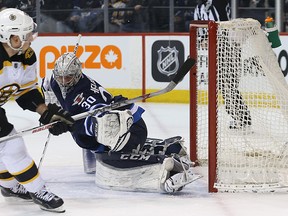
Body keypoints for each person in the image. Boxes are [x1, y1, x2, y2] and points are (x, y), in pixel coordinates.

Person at [42, 52, 201, 193]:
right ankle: (171, 147)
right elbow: (47, 90)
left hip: (130, 129)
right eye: (60, 76)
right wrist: (52, 117)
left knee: (111, 160)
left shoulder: (85, 95)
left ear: (77, 75)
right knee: (91, 142)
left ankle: (171, 168)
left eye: (68, 77)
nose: (63, 81)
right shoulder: (55, 82)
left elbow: (104, 125)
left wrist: (70, 125)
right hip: (124, 130)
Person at [0, 8, 74, 213]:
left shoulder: (26, 56)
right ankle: (38, 190)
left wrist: (46, 112)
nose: (30, 38)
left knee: (2, 147)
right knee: (11, 145)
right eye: (26, 35)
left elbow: (25, 91)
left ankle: (9, 187)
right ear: (12, 37)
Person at [194, 0, 252, 130]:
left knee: (229, 84)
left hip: (228, 46)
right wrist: (203, 39)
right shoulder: (199, 7)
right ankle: (241, 117)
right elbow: (199, 28)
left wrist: (207, 38)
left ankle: (241, 117)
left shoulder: (218, 2)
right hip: (216, 49)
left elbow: (223, 22)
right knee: (223, 84)